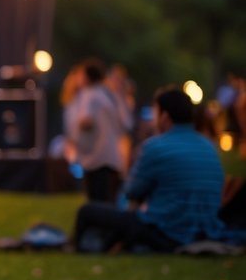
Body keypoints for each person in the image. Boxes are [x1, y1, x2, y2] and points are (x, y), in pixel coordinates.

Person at [73, 86, 243, 252]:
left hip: (166, 232)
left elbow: (132, 191)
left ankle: (76, 249)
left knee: (86, 211)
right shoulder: (209, 147)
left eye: (155, 113)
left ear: (165, 117)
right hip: (204, 231)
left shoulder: (155, 146)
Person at [63, 59, 133, 203]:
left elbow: (86, 121)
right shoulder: (108, 94)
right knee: (109, 200)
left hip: (96, 158)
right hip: (113, 157)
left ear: (87, 77)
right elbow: (126, 123)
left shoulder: (89, 94)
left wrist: (74, 134)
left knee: (96, 201)